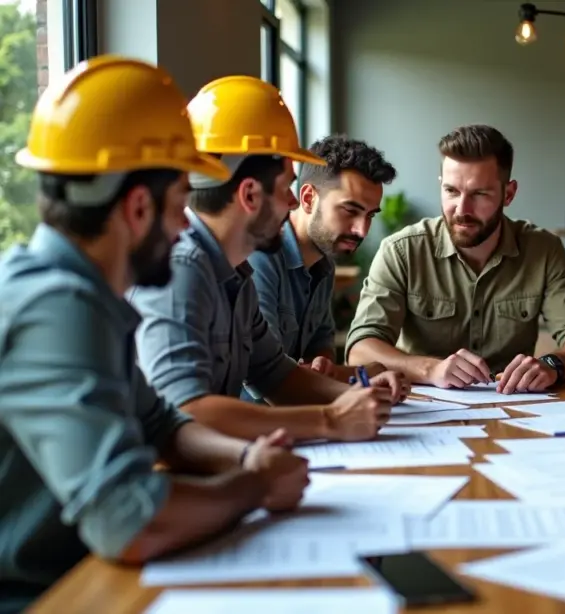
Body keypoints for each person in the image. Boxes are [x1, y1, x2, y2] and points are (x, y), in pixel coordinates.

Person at [0, 56, 310, 614]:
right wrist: (255, 487)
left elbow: (163, 425)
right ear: (137, 207)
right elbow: (128, 519)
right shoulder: (57, 306)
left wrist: (247, 457)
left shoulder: (84, 296)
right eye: (177, 206)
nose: (184, 226)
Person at [128, 76, 405, 443]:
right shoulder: (182, 267)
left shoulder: (234, 271)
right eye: (285, 187)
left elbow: (276, 374)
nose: (292, 203)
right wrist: (331, 419)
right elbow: (187, 410)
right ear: (249, 194)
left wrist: (358, 396)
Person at [345, 124, 565, 392]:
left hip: (518, 409)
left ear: (509, 193)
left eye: (479, 194)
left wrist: (552, 363)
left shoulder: (543, 250)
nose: (462, 209)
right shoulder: (401, 251)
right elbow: (360, 350)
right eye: (451, 191)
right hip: (424, 409)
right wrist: (430, 369)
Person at [246, 134, 398, 396]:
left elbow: (321, 346)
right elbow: (269, 378)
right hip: (258, 426)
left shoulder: (323, 261)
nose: (362, 230)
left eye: (370, 215)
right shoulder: (261, 257)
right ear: (307, 199)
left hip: (302, 417)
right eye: (350, 210)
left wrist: (324, 364)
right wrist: (365, 376)